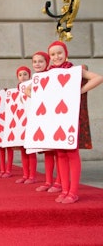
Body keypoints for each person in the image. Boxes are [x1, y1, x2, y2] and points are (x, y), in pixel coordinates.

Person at [47, 40, 103, 204]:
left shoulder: (74, 71)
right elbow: (32, 91)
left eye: (59, 53)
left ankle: (73, 192)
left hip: (71, 117)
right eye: (53, 54)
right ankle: (64, 190)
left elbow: (98, 78)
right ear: (50, 57)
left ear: (66, 54)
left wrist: (79, 91)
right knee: (60, 153)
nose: (56, 56)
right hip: (55, 119)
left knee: (71, 153)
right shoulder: (48, 75)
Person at [30, 52, 62, 193]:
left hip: (55, 118)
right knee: (48, 153)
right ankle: (48, 181)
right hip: (43, 119)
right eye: (35, 61)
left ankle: (59, 182)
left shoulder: (52, 75)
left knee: (57, 153)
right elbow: (27, 90)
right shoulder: (36, 79)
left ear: (47, 62)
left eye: (41, 61)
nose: (37, 64)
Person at [13, 66, 38, 184]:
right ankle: (25, 174)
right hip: (21, 122)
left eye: (25, 74)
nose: (23, 77)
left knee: (30, 150)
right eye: (20, 75)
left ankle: (32, 175)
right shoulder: (17, 89)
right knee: (23, 150)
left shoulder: (34, 84)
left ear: (29, 75)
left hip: (31, 120)